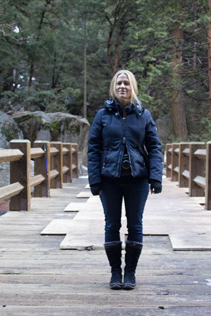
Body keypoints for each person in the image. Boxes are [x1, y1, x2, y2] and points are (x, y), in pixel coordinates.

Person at [87, 69, 163, 290]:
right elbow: (93, 148)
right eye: (119, 83)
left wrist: (155, 177)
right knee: (111, 224)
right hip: (109, 180)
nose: (122, 87)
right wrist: (95, 180)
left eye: (127, 84)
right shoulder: (102, 116)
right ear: (113, 86)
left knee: (135, 224)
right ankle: (114, 272)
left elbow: (155, 148)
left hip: (137, 180)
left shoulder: (143, 115)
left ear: (133, 88)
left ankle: (130, 273)